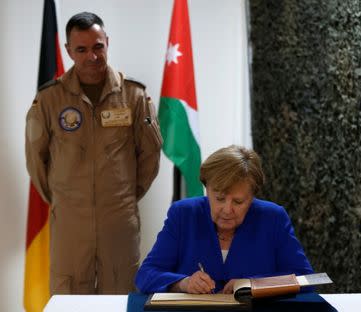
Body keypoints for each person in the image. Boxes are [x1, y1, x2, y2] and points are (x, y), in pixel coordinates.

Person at [25, 12, 162, 294]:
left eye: (98, 46)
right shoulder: (49, 99)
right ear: (68, 51)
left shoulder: (134, 96)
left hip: (119, 220)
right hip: (70, 223)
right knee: (69, 296)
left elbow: (149, 156)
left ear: (107, 42)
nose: (92, 56)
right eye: (82, 49)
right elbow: (36, 160)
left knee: (122, 294)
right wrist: (66, 198)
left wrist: (122, 195)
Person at [135, 145, 314, 294]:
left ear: (252, 197)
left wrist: (253, 285)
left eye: (238, 201)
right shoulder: (183, 214)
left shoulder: (273, 218)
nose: (227, 210)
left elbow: (305, 279)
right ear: (207, 189)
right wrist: (183, 283)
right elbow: (146, 275)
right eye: (219, 198)